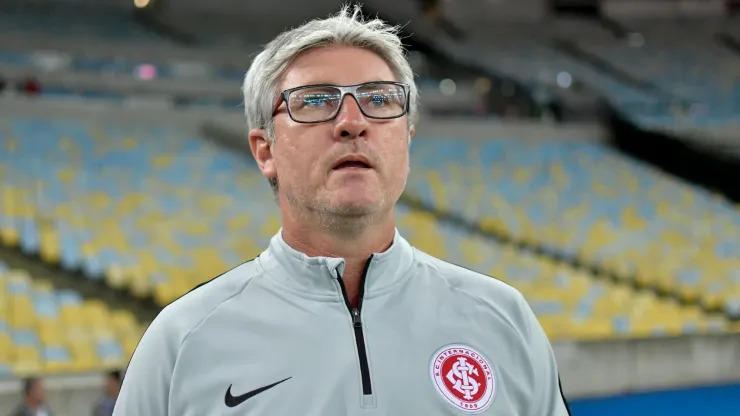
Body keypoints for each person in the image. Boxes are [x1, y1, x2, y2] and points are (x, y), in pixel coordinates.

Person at [114, 6, 572, 415]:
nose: (353, 123)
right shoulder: (182, 342)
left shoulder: (503, 319)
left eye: (379, 100)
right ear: (264, 150)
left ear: (407, 138)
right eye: (315, 101)